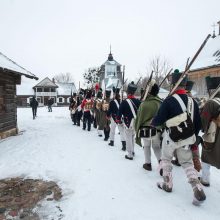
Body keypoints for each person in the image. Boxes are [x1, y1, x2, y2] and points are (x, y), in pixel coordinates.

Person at [152, 69, 206, 205]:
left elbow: (158, 120)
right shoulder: (193, 102)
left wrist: (153, 122)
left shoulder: (169, 100)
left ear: (174, 85)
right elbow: (198, 124)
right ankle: (197, 187)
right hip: (188, 139)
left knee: (166, 159)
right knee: (187, 164)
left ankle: (167, 184)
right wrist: (191, 138)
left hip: (171, 137)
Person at [135, 83, 162, 171]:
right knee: (157, 147)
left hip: (145, 130)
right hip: (157, 130)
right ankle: (162, 165)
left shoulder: (144, 104)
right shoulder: (160, 103)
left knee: (146, 147)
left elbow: (139, 119)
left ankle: (148, 164)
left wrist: (137, 128)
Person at [200, 76, 220, 187]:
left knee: (206, 156)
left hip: (214, 135)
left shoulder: (211, 103)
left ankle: (205, 179)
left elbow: (203, 122)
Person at [117, 81, 141, 160]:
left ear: (128, 92)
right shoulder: (138, 101)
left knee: (128, 138)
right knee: (132, 137)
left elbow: (119, 114)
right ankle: (132, 151)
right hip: (136, 123)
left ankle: (130, 154)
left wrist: (118, 120)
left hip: (128, 123)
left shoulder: (124, 102)